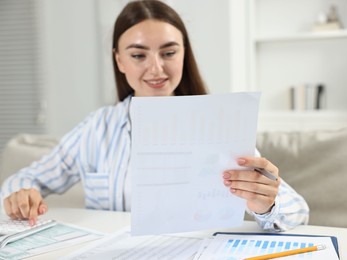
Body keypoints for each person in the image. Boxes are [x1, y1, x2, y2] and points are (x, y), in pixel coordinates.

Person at [1, 0, 309, 231]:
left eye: (169, 52)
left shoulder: (218, 124)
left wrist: (267, 202)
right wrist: (22, 195)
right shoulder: (96, 129)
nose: (156, 69)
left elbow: (297, 211)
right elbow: (22, 181)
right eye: (138, 55)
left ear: (184, 53)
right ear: (119, 60)